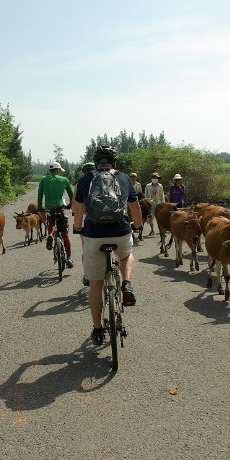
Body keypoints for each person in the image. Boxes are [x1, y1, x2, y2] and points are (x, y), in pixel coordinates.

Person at [73, 145, 143, 346]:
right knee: (126, 255)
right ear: (114, 163)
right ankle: (127, 282)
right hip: (120, 231)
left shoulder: (86, 180)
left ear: (96, 163)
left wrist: (78, 228)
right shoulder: (124, 178)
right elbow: (134, 206)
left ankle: (97, 329)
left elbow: (78, 211)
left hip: (94, 235)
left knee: (96, 284)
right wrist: (137, 225)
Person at [38, 161, 74, 268]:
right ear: (58, 170)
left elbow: (40, 194)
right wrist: (70, 205)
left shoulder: (44, 179)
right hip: (60, 207)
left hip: (49, 207)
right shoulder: (64, 179)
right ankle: (69, 258)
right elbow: (71, 194)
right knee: (65, 234)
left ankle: (50, 235)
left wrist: (40, 207)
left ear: (50, 170)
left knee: (51, 223)